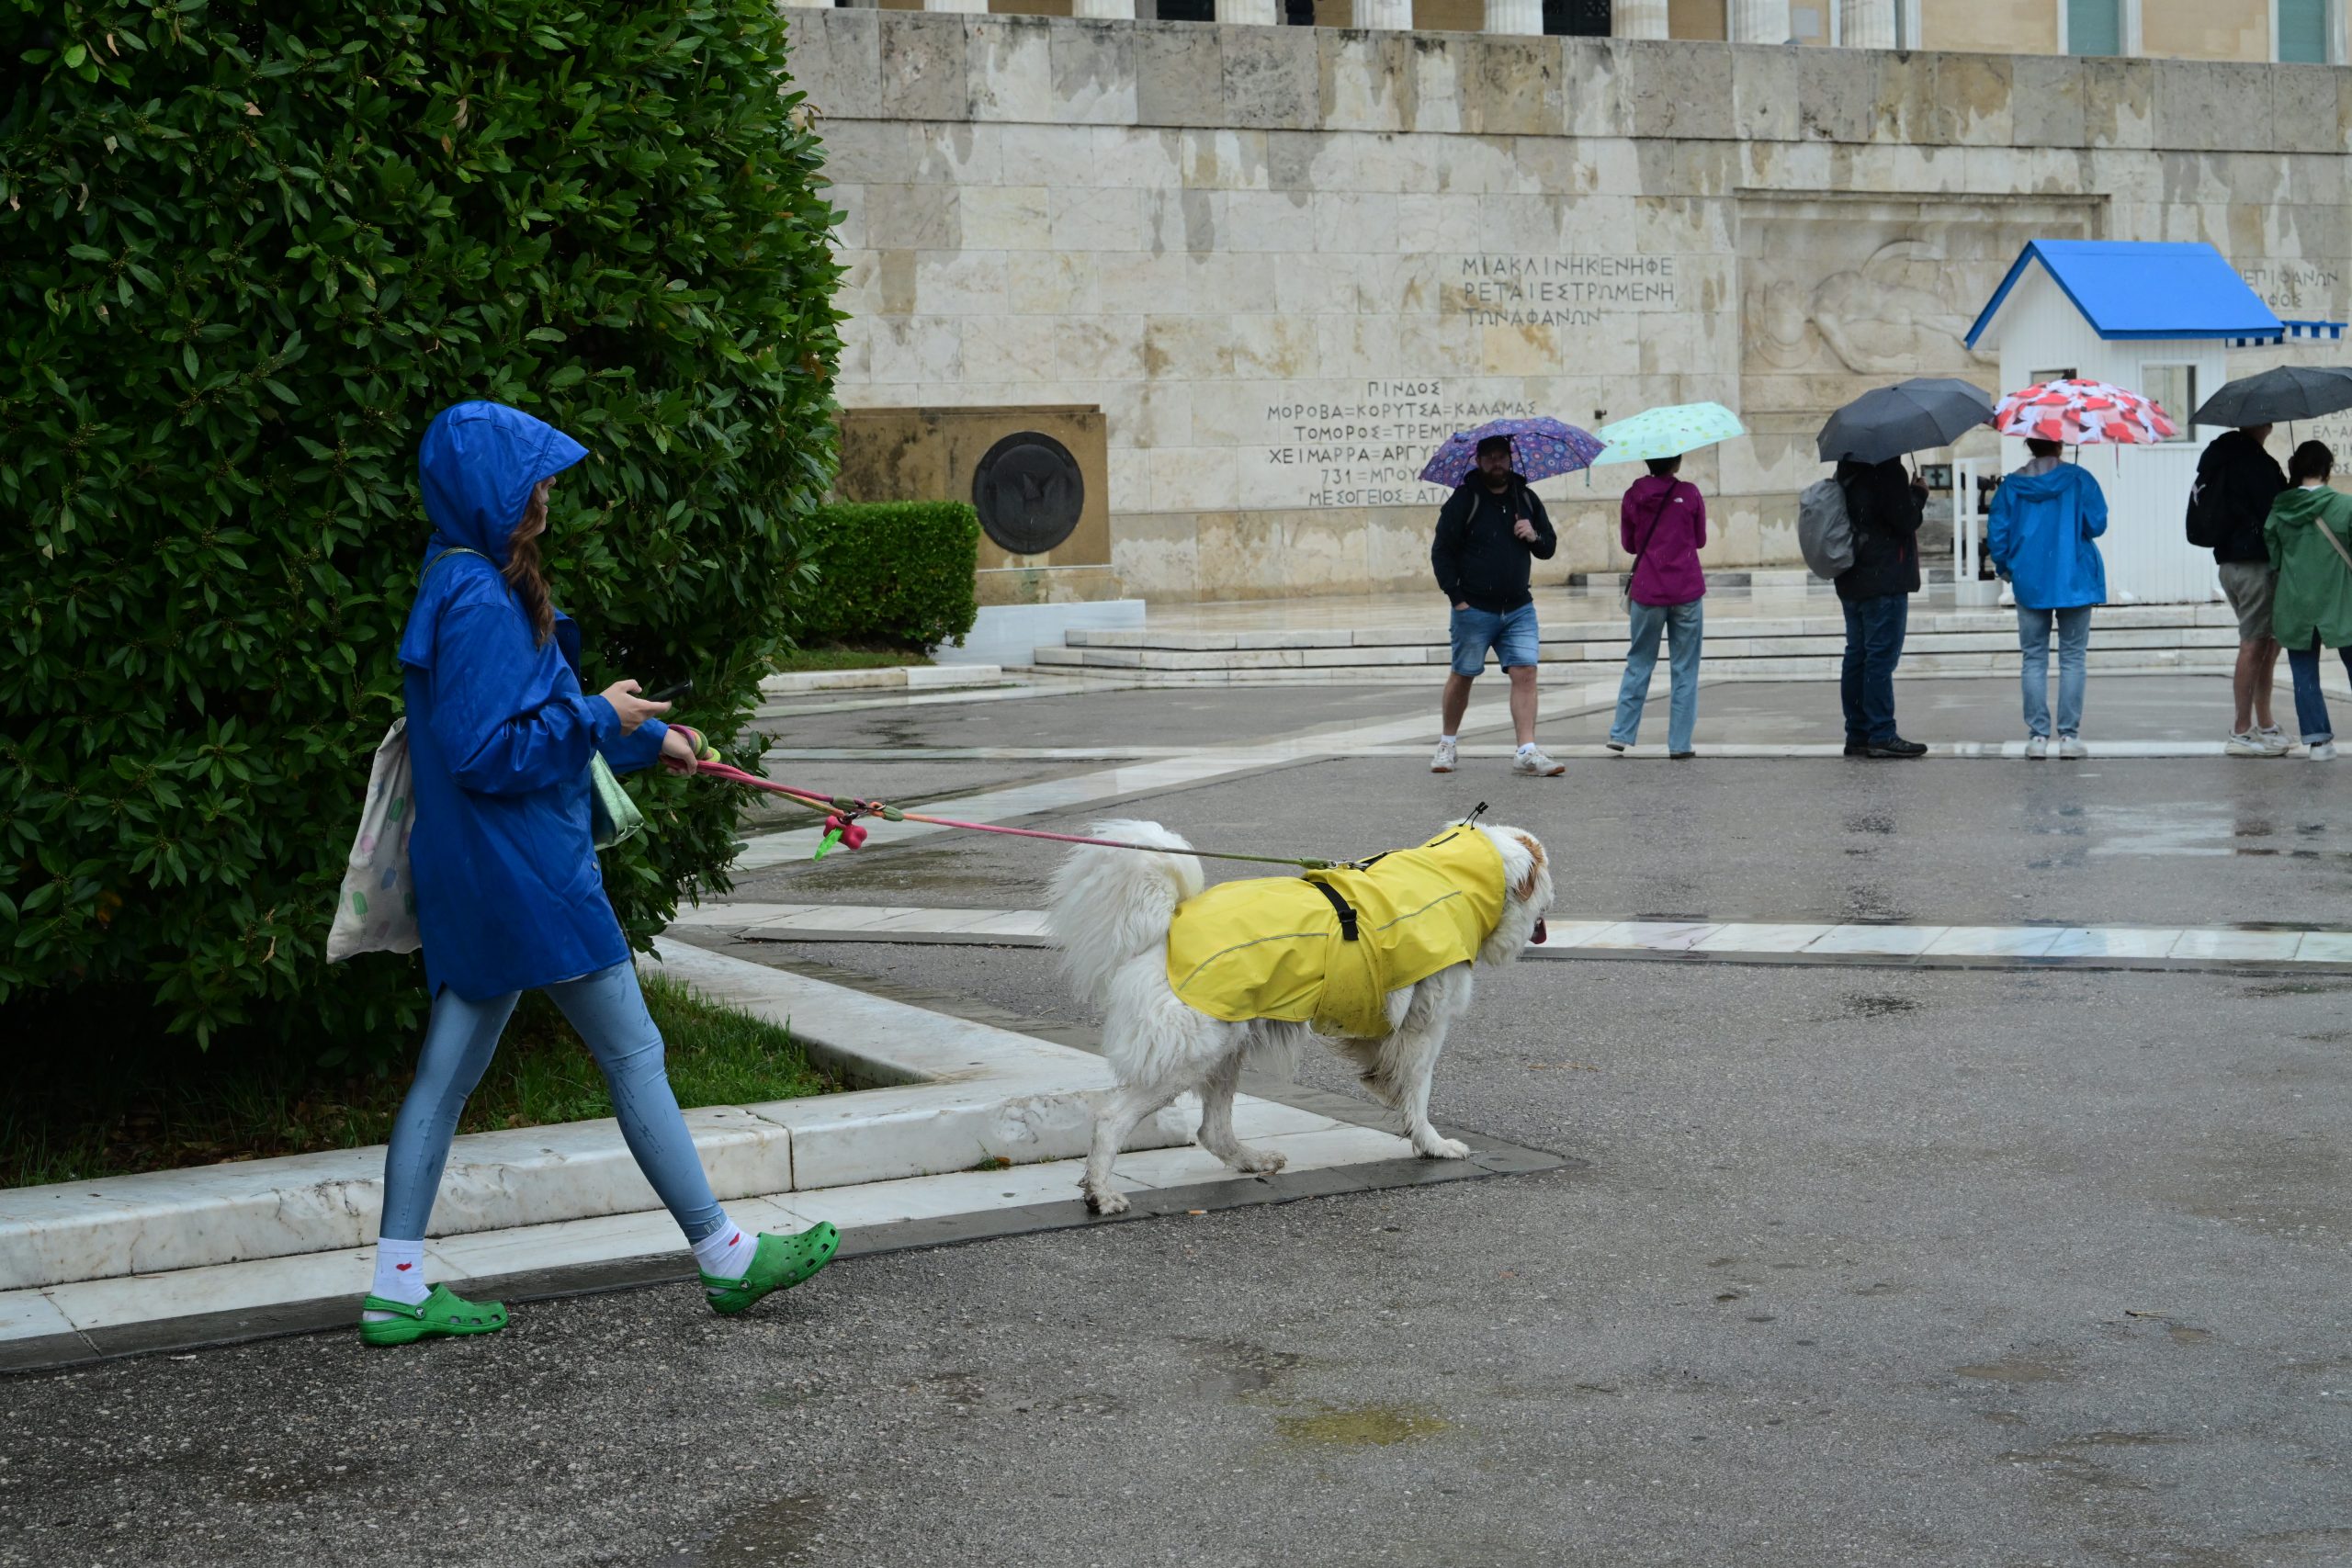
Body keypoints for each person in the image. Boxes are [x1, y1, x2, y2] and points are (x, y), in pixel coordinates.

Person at [361, 401, 837, 1346]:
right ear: (482, 489)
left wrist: (643, 738)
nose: (545, 491)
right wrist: (600, 717)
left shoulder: (456, 579)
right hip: (532, 877)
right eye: (529, 477)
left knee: (444, 1081)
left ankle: (396, 1287)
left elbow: (522, 735)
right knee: (633, 1055)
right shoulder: (479, 599)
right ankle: (726, 1256)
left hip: (481, 875)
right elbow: (489, 753)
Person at [1430, 434, 1564, 776]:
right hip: (1473, 608)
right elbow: (1442, 551)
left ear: (1511, 459)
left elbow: (1548, 547)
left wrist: (1533, 536)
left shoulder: (1527, 499)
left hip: (1518, 607)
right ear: (1478, 461)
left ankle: (1526, 749)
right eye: (1488, 457)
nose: (1496, 463)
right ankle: (1447, 743)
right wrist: (1456, 597)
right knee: (1463, 675)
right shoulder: (1464, 500)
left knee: (1526, 672)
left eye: (1501, 456)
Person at [1987, 437, 2108, 759]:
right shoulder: (2079, 478)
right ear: (2061, 444)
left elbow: (1997, 535)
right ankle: (2069, 737)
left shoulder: (2012, 485)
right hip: (2075, 578)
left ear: (2029, 443)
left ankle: (2037, 737)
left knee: (2034, 657)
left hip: (2030, 578)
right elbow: (2097, 525)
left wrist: (2007, 567)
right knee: (2072, 658)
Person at [2196, 423, 2292, 755]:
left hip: (2230, 564)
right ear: (2262, 425)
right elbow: (2276, 511)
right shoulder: (2253, 463)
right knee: (2255, 644)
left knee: (2267, 643)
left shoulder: (2219, 457)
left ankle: (2264, 723)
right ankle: (2242, 730)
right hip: (2254, 564)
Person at [1606, 455, 1707, 759]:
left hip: (1648, 589)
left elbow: (1630, 545)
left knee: (1639, 661)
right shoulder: (1689, 493)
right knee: (1685, 668)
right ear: (1676, 462)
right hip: (1686, 588)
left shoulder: (1633, 494)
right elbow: (1700, 540)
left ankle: (1621, 734)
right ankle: (1679, 744)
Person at [1833, 456, 1929, 758]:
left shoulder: (1846, 469)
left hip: (1852, 575)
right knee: (1879, 657)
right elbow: (1905, 519)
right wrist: (1918, 494)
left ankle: (1858, 733)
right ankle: (1882, 732)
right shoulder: (1886, 470)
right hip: (1883, 577)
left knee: (1857, 654)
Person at [2265, 439, 2352, 762]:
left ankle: (2318, 742)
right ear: (2327, 469)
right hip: (2342, 601)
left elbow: (2274, 558)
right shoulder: (2345, 506)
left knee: (2304, 674)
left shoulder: (2279, 510)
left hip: (2296, 602)